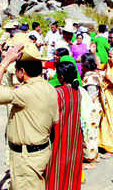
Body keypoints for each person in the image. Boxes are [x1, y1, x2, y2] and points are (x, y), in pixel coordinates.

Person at [0, 43, 58, 190]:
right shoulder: (49, 88)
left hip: (26, 157)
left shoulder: (25, 92)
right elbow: (56, 120)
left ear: (21, 71)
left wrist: (5, 62)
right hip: (40, 152)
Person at [46, 61, 83, 190]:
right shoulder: (77, 91)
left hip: (59, 134)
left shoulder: (57, 93)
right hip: (74, 135)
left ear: (61, 76)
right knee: (72, 168)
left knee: (56, 167)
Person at [80, 52, 104, 169]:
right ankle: (94, 155)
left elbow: (91, 96)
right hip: (96, 108)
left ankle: (89, 159)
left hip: (91, 109)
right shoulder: (94, 74)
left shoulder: (90, 78)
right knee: (93, 133)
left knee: (89, 134)